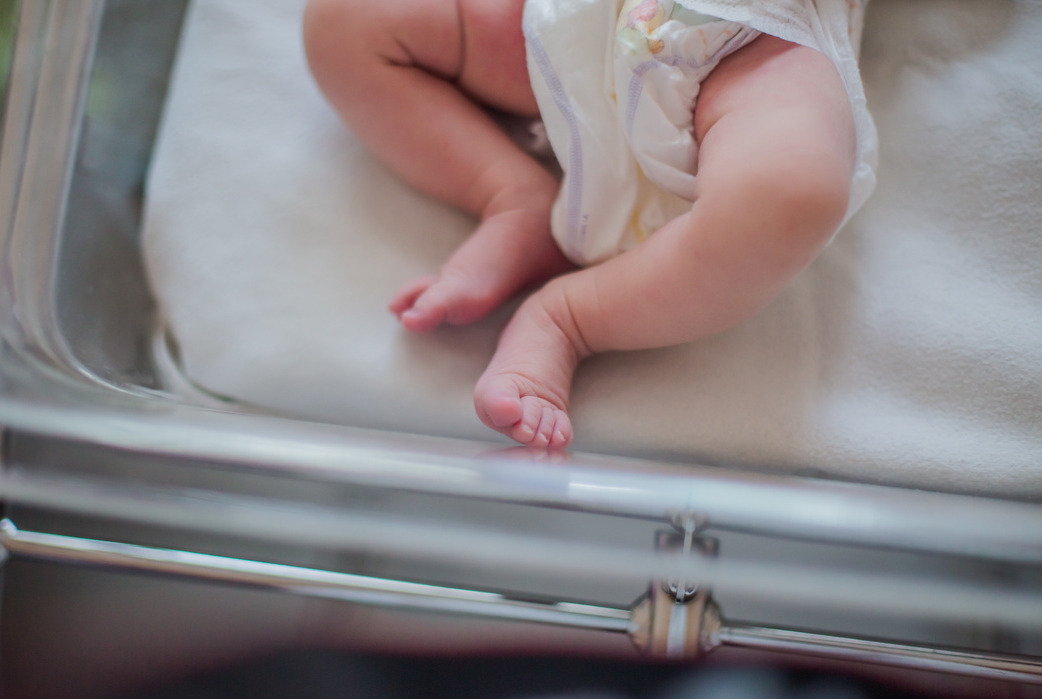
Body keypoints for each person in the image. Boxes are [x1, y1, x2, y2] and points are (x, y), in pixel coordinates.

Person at [303, 0, 861, 449]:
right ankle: (512, 196)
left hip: (758, 36)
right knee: (342, 18)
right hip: (579, 21)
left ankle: (570, 318)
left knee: (793, 189)